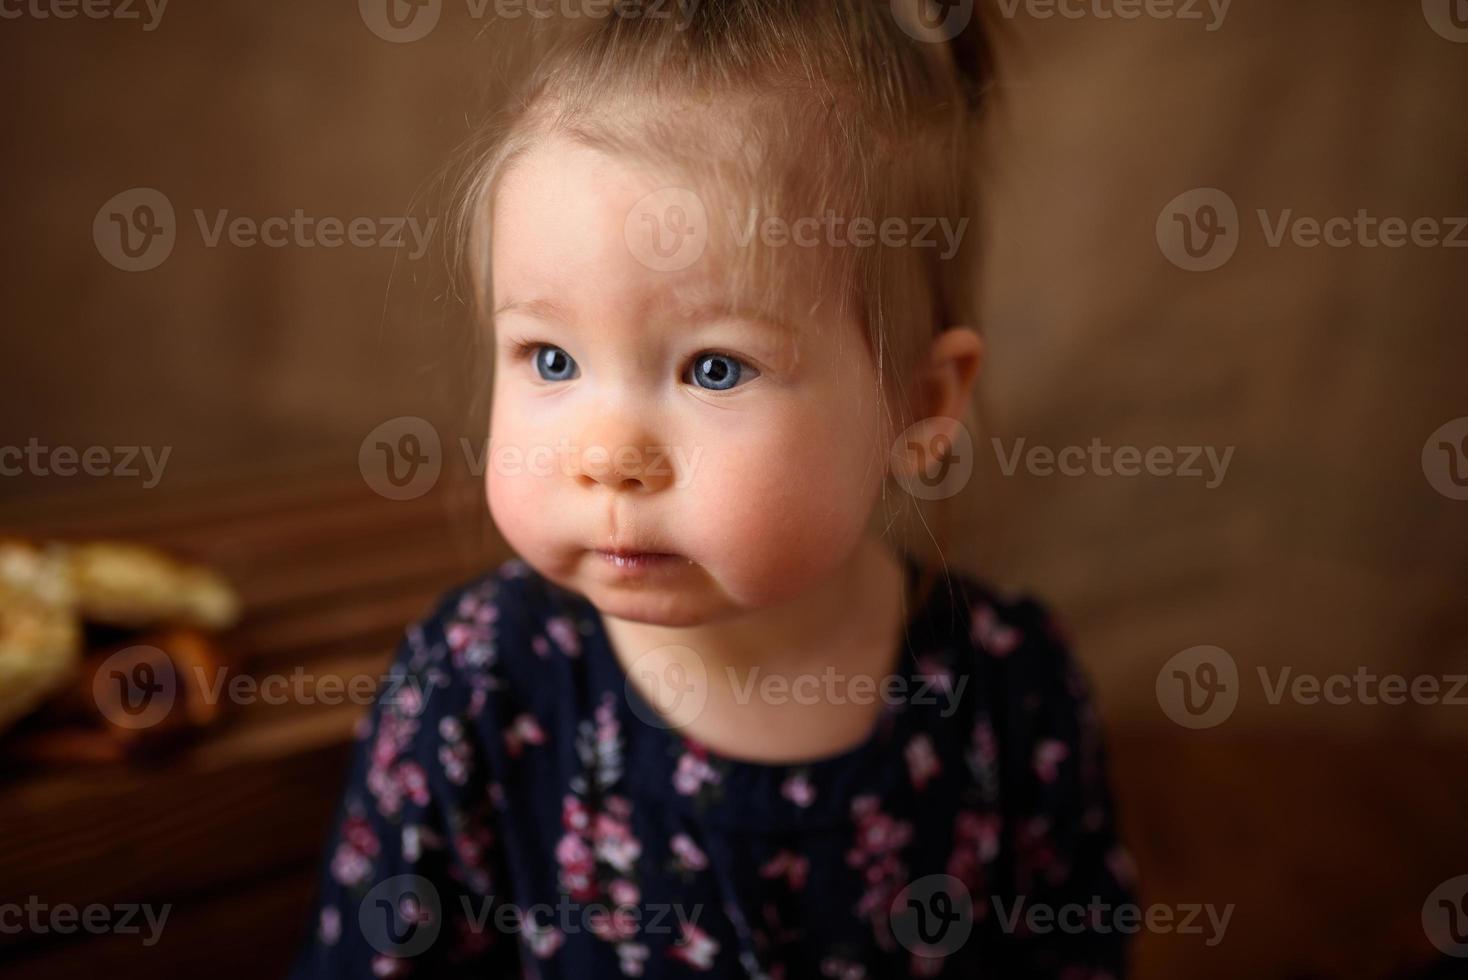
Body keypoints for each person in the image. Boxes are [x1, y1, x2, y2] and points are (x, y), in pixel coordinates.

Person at [290, 1, 1135, 975]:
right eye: (552, 357)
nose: (608, 453)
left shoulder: (1009, 693)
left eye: (714, 369)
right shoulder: (473, 692)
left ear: (918, 401)